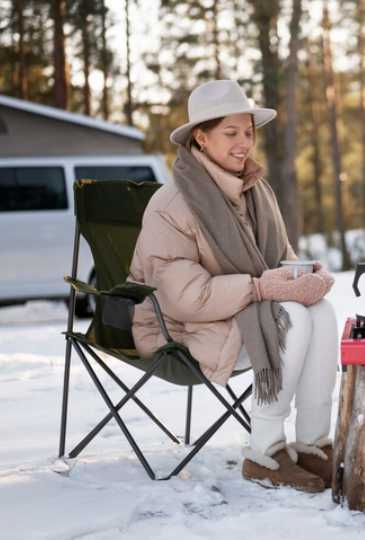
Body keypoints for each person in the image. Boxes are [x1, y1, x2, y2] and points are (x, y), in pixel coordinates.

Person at [128, 80, 338, 494]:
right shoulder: (173, 205)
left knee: (321, 311)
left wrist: (306, 276)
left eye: (248, 132)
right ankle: (265, 451)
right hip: (178, 329)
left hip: (235, 317)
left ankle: (314, 446)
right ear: (201, 138)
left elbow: (280, 262)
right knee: (291, 317)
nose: (244, 143)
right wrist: (261, 289)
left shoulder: (256, 191)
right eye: (231, 133)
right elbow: (185, 298)